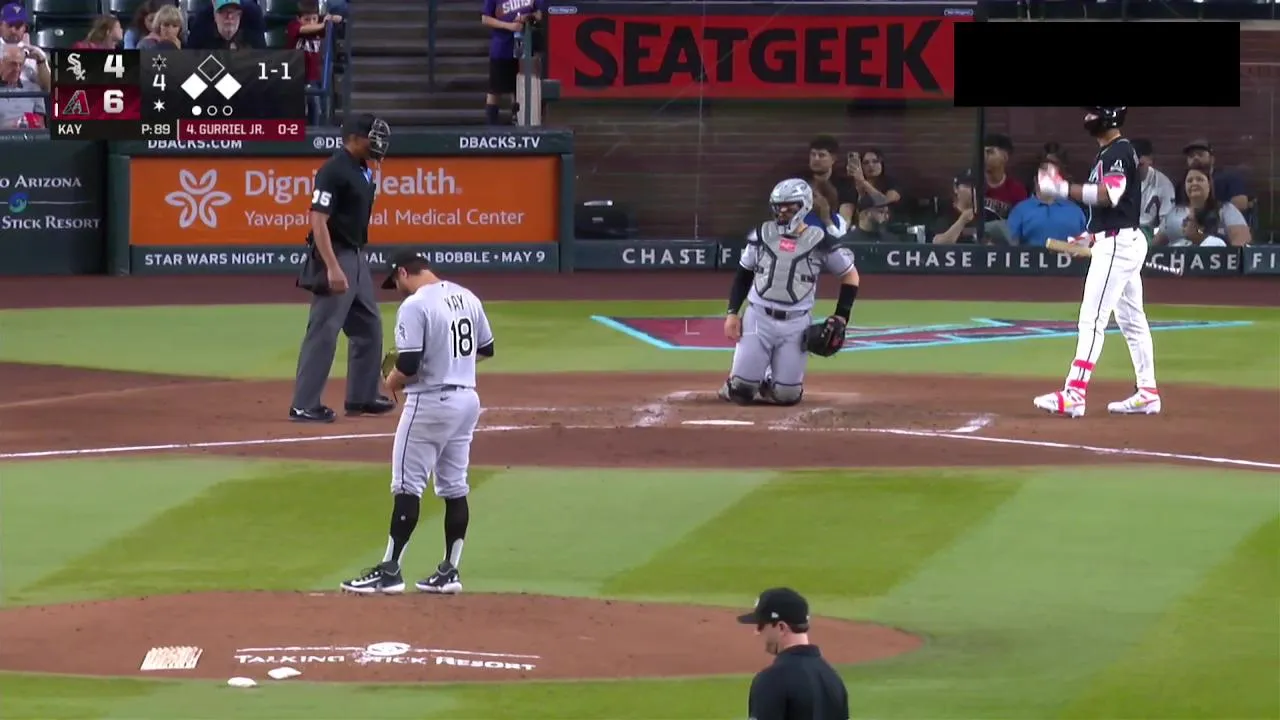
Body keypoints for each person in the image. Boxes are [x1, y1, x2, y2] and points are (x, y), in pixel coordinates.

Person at [341, 251, 494, 595]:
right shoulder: (468, 297)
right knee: (455, 487)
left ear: (402, 272)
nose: (398, 290)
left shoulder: (415, 305)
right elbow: (486, 348)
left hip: (430, 404)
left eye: (395, 282)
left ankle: (390, 571)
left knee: (407, 486)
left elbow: (408, 364)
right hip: (466, 400)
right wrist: (450, 364)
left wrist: (391, 381)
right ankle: (450, 571)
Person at [1033, 107, 1160, 417]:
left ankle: (1075, 393)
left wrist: (1061, 189)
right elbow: (1113, 208)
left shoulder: (1117, 151)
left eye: (1093, 112)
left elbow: (1110, 195)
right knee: (1132, 321)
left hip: (1118, 245)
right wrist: (1089, 235)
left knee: (1092, 320)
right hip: (1118, 240)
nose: (1088, 117)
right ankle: (1148, 392)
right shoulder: (1111, 151)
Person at [289, 113, 396, 423]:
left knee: (368, 326)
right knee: (324, 329)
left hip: (357, 256)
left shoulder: (363, 169)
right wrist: (333, 267)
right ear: (353, 138)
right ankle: (304, 404)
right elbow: (318, 220)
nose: (378, 143)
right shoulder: (333, 170)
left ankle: (361, 396)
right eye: (372, 136)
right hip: (335, 255)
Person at [717, 178, 860, 407]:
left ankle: (769, 379)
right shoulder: (761, 235)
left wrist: (842, 315)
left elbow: (850, 275)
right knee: (741, 391)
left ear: (804, 205)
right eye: (778, 206)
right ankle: (741, 379)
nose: (782, 211)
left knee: (787, 396)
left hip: (796, 323)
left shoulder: (820, 241)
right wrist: (732, 313)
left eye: (789, 205)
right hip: (758, 317)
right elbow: (744, 273)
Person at [737, 588, 850, 720]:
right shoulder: (832, 678)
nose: (757, 632)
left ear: (781, 627)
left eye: (761, 625)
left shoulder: (772, 680)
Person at [1154, 165, 1250, 248]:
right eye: (1189, 181)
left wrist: (1198, 236)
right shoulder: (1174, 213)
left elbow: (1241, 241)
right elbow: (1155, 246)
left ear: (1209, 185)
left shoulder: (1226, 209)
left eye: (1199, 179)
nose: (1194, 183)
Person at [1005, 160, 1087, 247]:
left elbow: (1086, 241)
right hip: (1033, 255)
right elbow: (1010, 243)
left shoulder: (1075, 210)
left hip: (1069, 255)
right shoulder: (1020, 210)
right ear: (1036, 180)